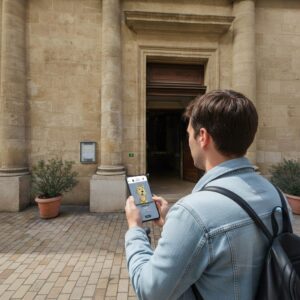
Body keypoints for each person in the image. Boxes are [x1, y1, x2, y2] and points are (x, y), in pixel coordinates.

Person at [125, 90, 287, 300]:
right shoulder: (277, 195)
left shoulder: (193, 213)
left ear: (202, 137)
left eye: (188, 134)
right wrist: (171, 221)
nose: (188, 142)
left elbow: (149, 290)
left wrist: (135, 229)